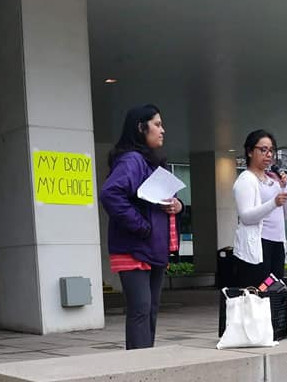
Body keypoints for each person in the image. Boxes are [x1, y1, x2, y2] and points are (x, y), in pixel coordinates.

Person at [100, 104, 183, 350]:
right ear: (140, 127)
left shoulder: (149, 162)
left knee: (150, 311)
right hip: (135, 247)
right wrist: (141, 226)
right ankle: (139, 369)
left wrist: (178, 206)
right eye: (157, 124)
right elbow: (110, 194)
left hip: (153, 247)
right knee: (141, 310)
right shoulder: (132, 160)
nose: (162, 130)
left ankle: (147, 365)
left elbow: (161, 201)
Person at [232, 129, 287, 287]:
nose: (268, 154)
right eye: (263, 149)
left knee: (275, 290)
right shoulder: (246, 180)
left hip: (277, 244)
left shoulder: (273, 181)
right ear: (250, 152)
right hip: (258, 246)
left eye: (271, 150)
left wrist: (286, 189)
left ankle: (273, 313)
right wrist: (273, 202)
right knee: (259, 292)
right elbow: (246, 216)